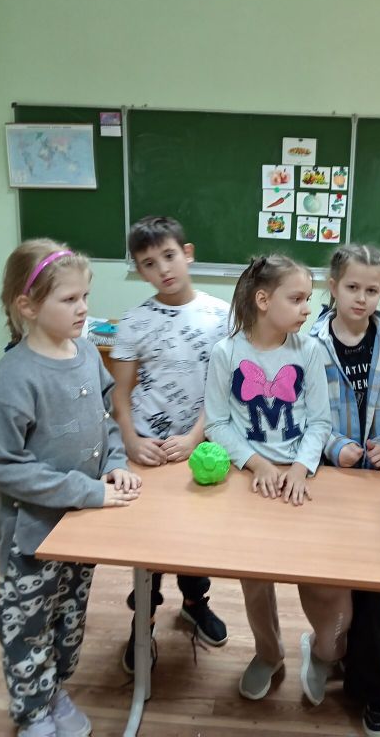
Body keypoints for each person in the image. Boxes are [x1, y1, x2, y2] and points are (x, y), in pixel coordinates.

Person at [0, 239, 141, 737]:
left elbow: (106, 417)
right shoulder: (14, 376)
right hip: (32, 536)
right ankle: (33, 713)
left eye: (85, 297)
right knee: (28, 625)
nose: (83, 309)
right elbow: (2, 465)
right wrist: (88, 491)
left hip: (78, 529)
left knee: (68, 618)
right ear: (28, 306)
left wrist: (116, 462)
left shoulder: (86, 353)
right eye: (70, 299)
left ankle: (53, 690)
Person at [204, 254, 351, 706]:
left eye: (308, 299)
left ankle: (323, 651)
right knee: (254, 580)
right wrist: (257, 465)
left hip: (301, 482)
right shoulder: (227, 353)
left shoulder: (309, 351)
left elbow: (320, 423)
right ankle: (269, 652)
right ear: (263, 300)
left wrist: (300, 469)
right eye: (298, 299)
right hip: (250, 483)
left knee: (317, 577)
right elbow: (216, 423)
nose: (308, 309)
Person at [311, 244, 380, 737]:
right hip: (328, 478)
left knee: (374, 585)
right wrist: (335, 446)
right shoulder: (309, 344)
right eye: (352, 287)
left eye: (372, 289)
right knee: (332, 579)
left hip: (376, 482)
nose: (361, 298)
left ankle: (376, 689)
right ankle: (332, 652)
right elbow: (299, 411)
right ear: (333, 286)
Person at [110, 216, 230, 673]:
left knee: (195, 536)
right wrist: (131, 440)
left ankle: (195, 603)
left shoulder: (222, 316)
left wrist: (195, 437)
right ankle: (143, 618)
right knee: (150, 542)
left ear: (188, 253)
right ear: (139, 270)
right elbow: (120, 394)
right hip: (150, 450)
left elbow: (223, 390)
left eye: (169, 256)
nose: (162, 269)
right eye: (148, 263)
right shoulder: (134, 322)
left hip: (201, 447)